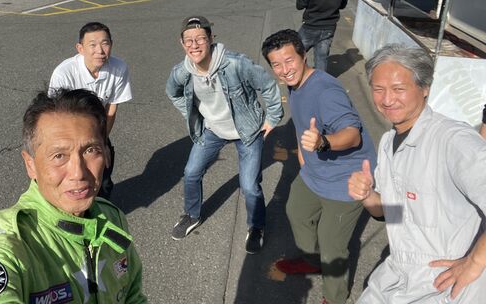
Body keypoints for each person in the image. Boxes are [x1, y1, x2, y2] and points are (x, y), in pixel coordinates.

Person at [0, 89, 146, 304]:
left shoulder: (112, 217)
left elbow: (133, 295)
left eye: (91, 150)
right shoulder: (11, 236)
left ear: (106, 155)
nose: (78, 173)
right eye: (59, 156)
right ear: (30, 165)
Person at [348, 45, 486, 303]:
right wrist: (367, 196)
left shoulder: (453, 140)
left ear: (425, 88)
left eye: (398, 89)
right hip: (397, 272)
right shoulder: (388, 142)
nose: (387, 100)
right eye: (378, 89)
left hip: (445, 285)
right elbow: (391, 211)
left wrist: (475, 262)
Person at [262, 29, 376, 304]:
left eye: (289, 60)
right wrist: (304, 157)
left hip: (347, 178)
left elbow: (352, 134)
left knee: (332, 245)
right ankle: (313, 261)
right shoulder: (294, 84)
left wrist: (323, 142)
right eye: (276, 64)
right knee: (296, 212)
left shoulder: (326, 91)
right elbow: (303, 123)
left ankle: (334, 298)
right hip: (315, 170)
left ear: (304, 55)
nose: (284, 70)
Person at [165, 16, 283, 253]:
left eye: (200, 38)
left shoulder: (235, 63)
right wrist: (191, 115)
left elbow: (268, 85)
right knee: (191, 172)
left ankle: (256, 226)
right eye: (189, 40)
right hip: (212, 129)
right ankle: (192, 215)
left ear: (211, 39)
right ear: (182, 43)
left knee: (249, 185)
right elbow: (172, 92)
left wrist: (272, 118)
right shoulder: (182, 72)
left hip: (247, 130)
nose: (195, 45)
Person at [48, 22, 131, 200]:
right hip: (67, 133)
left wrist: (102, 142)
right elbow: (56, 117)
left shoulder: (119, 68)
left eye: (105, 43)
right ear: (80, 48)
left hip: (97, 130)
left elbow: (111, 109)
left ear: (111, 45)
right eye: (92, 45)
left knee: (103, 181)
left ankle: (101, 210)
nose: (100, 50)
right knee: (71, 180)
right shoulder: (64, 73)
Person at [296, 0, 348, 72]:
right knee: (321, 58)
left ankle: (300, 75)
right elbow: (342, 5)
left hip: (310, 27)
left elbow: (299, 5)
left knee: (296, 53)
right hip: (329, 28)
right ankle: (320, 80)